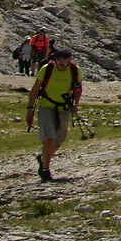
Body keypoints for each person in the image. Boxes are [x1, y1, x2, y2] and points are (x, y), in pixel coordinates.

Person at [26, 47, 83, 183]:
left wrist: (75, 105)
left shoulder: (75, 70)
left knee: (58, 140)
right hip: (46, 106)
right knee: (49, 138)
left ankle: (44, 157)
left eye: (67, 64)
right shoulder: (46, 69)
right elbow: (35, 89)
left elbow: (78, 89)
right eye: (61, 64)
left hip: (64, 107)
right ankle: (45, 170)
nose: (64, 67)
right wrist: (30, 108)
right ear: (55, 60)